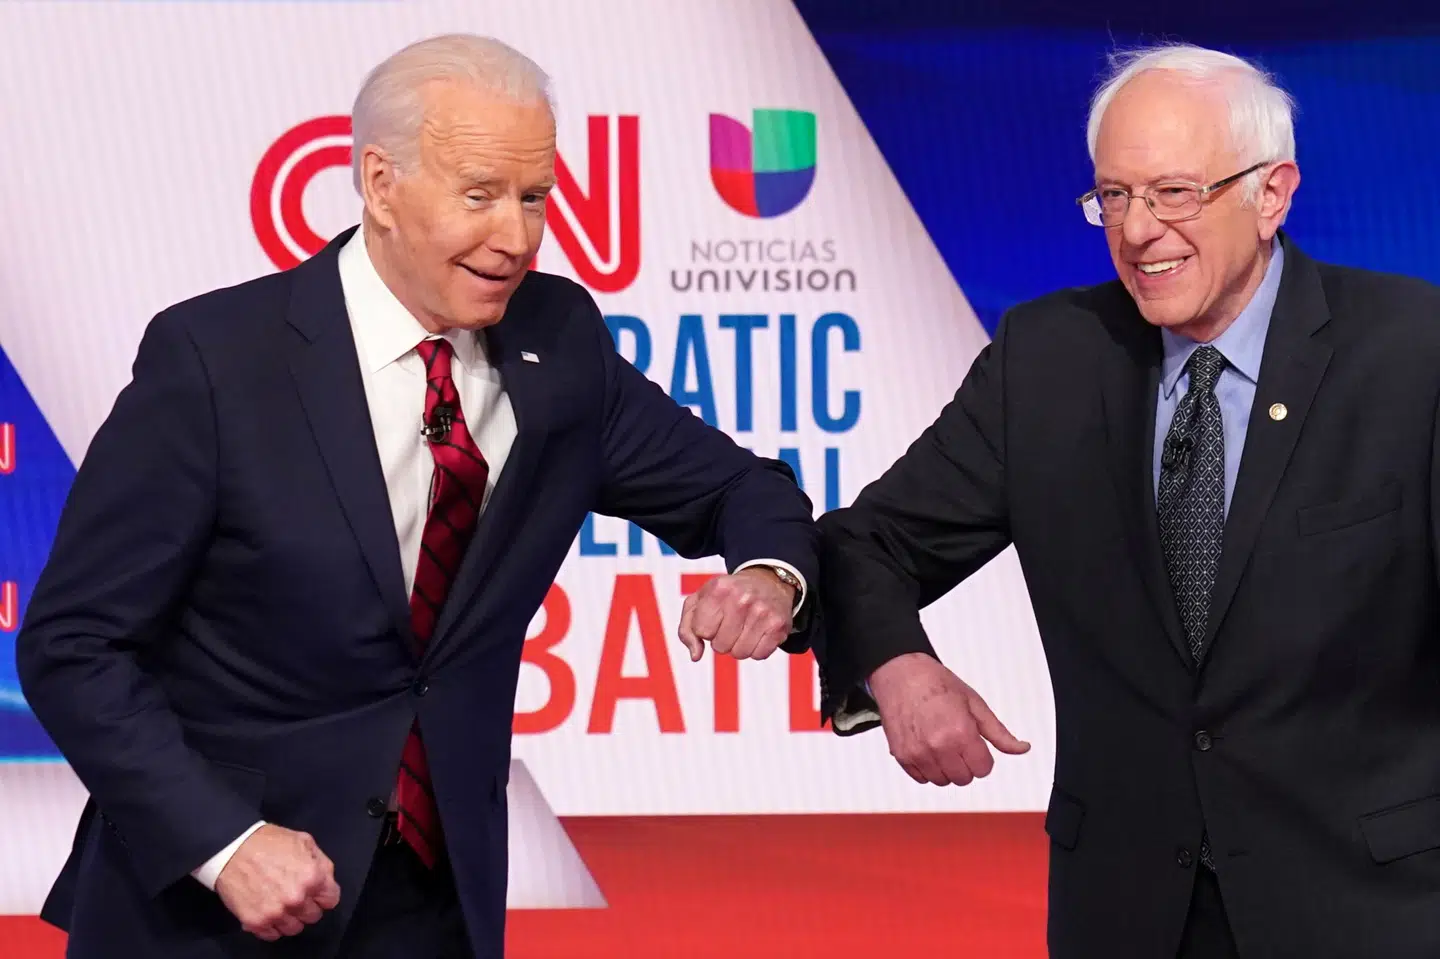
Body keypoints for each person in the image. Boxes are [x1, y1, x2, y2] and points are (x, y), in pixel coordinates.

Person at [17, 33, 817, 959]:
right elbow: (74, 645)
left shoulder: (559, 344)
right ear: (380, 184)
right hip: (214, 911)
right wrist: (223, 842)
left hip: (434, 906)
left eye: (534, 198)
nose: (514, 237)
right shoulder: (216, 361)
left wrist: (769, 574)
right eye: (479, 196)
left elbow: (736, 486)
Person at [815, 42, 1440, 959]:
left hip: (1366, 910)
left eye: (1175, 193)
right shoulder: (1049, 359)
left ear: (1272, 194)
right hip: (1127, 912)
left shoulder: (1413, 354)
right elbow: (867, 541)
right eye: (1114, 195)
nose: (1138, 229)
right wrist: (897, 664)